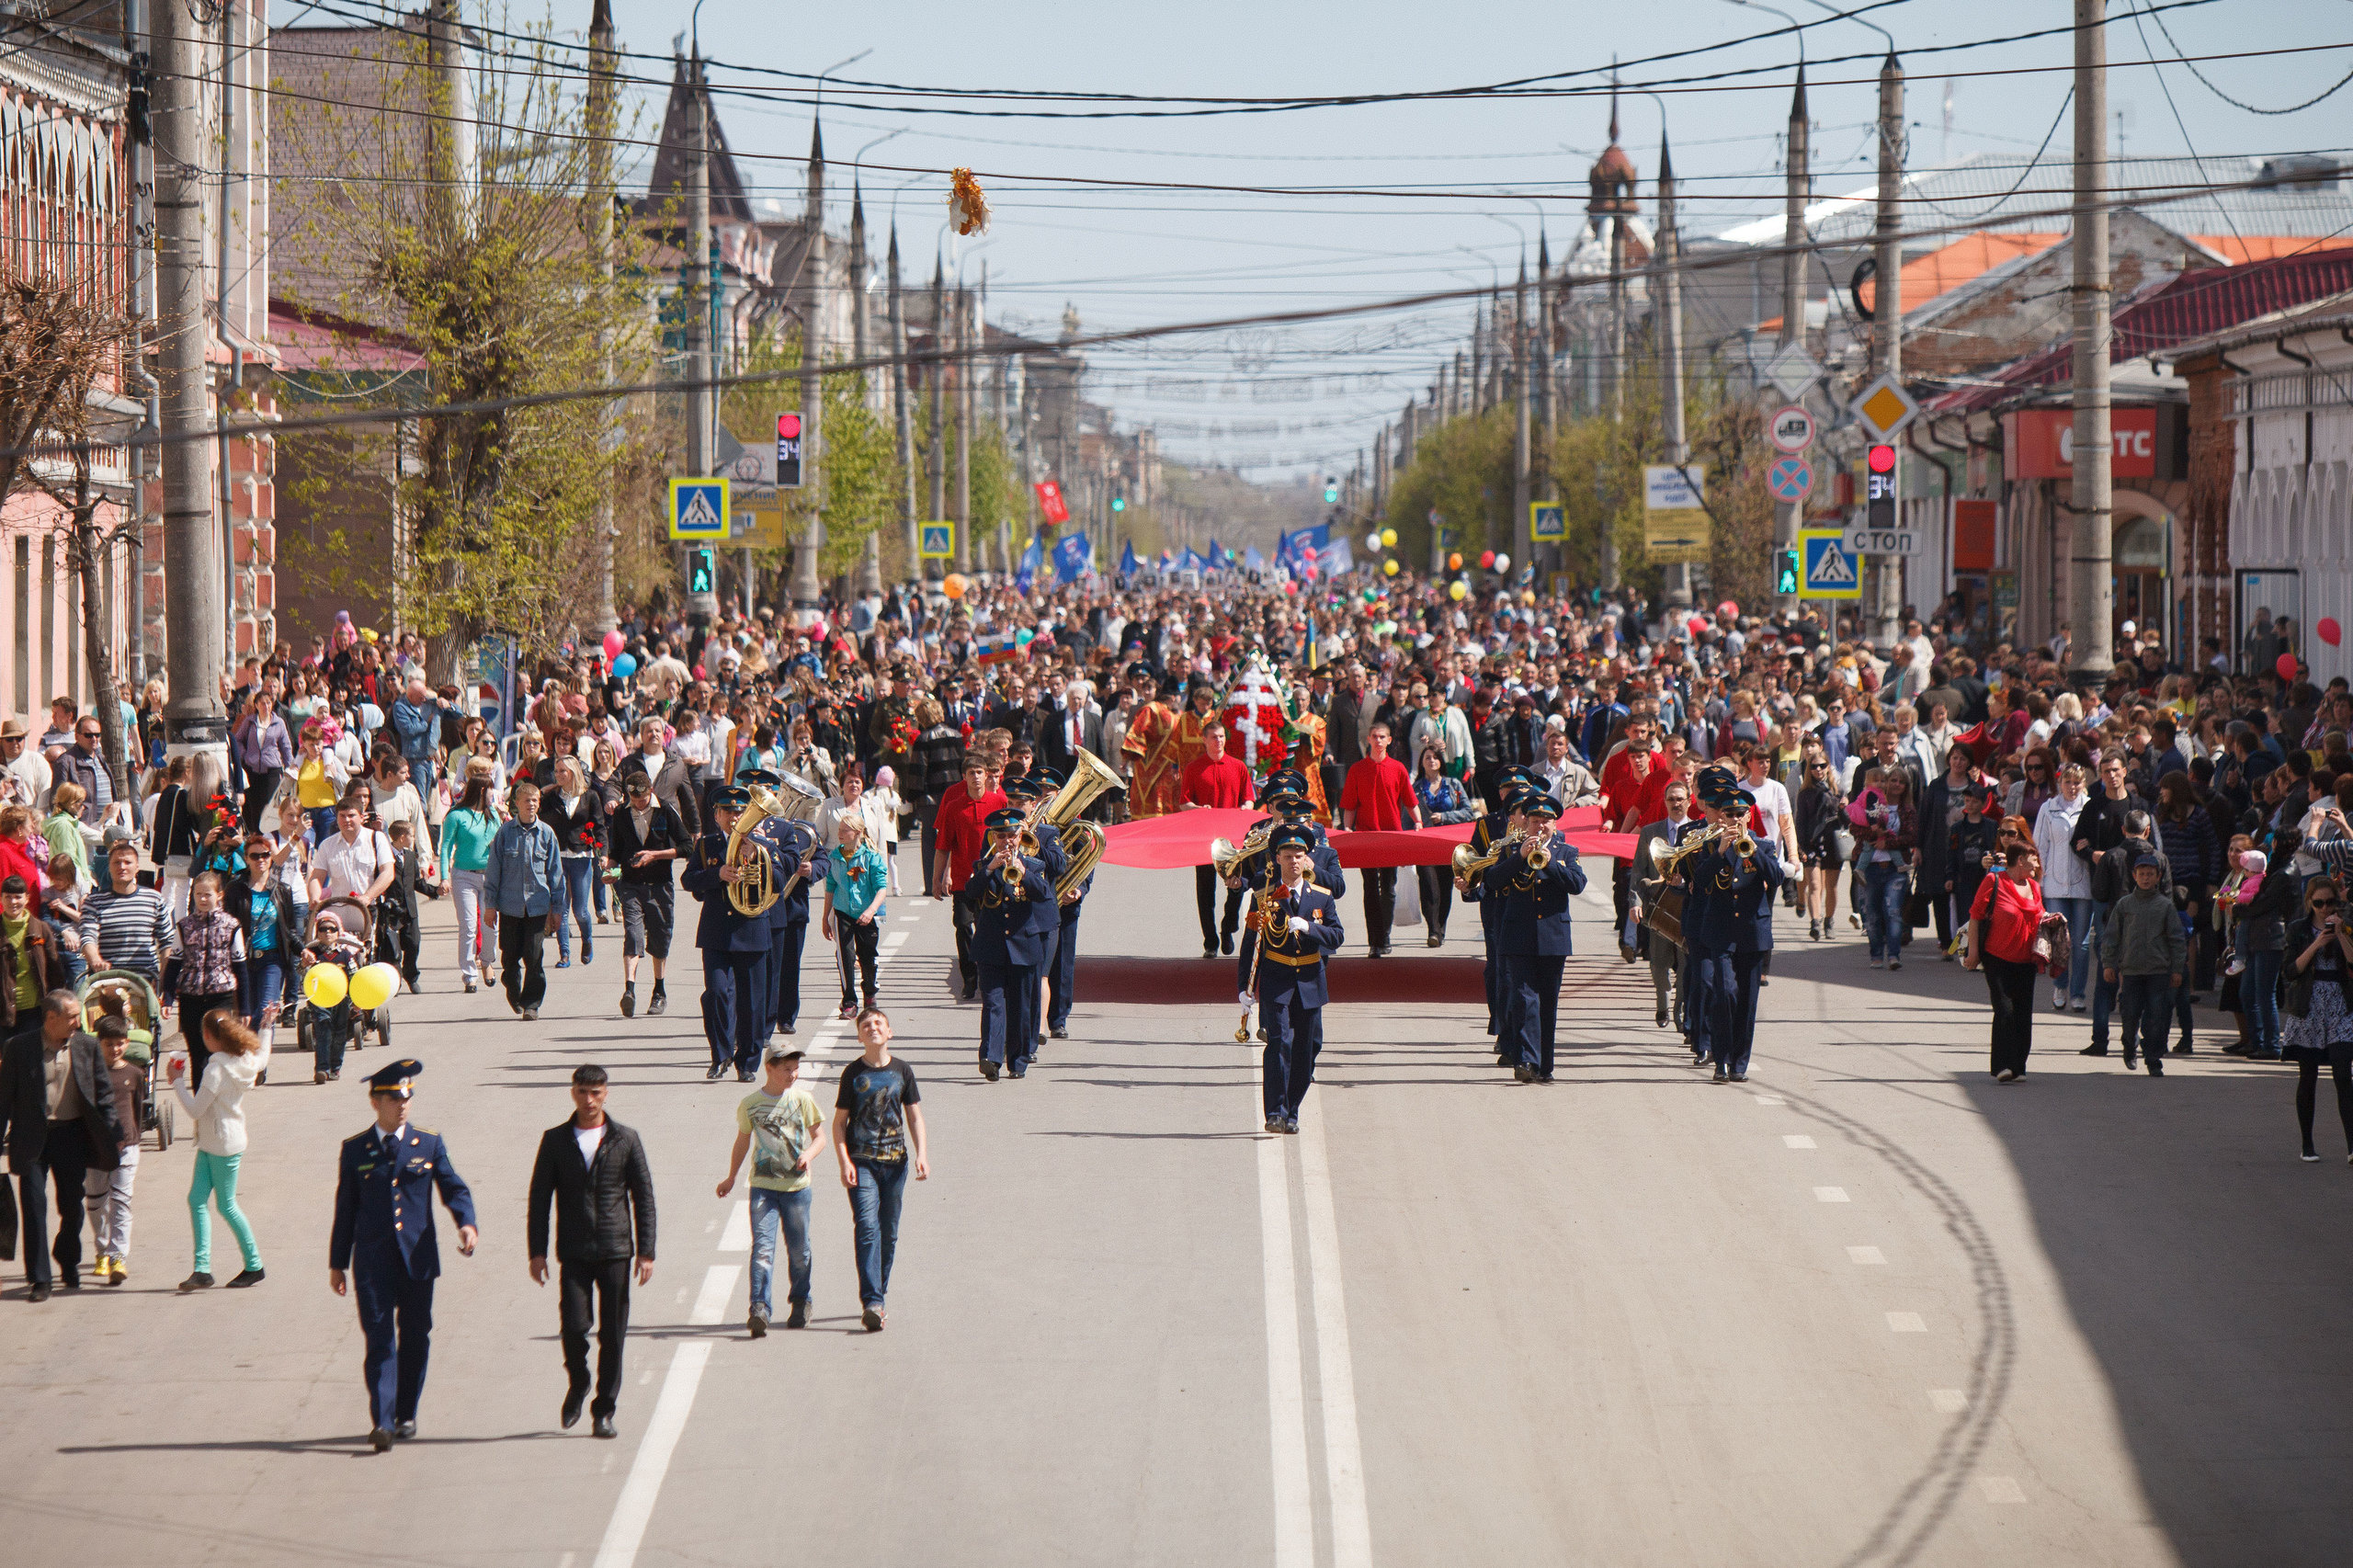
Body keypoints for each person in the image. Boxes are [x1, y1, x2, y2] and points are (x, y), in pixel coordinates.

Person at [330, 1058, 479, 1452]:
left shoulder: (428, 1143)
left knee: (415, 1337)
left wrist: (466, 1223)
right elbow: (346, 1208)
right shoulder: (355, 1149)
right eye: (395, 1097)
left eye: (407, 1097)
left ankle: (405, 1411)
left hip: (417, 1260)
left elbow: (454, 1187)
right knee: (379, 1340)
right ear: (375, 1101)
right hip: (373, 1263)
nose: (403, 1104)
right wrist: (337, 1262)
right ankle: (382, 1420)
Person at [528, 1063, 657, 1439]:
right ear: (573, 1093)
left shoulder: (626, 1139)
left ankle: (604, 1410)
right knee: (573, 1326)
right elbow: (539, 1199)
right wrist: (537, 1251)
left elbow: (643, 1197)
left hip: (616, 1249)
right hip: (574, 1250)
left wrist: (646, 1251)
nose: (589, 1100)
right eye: (583, 1092)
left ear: (606, 1093)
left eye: (596, 1092)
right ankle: (580, 1381)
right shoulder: (555, 1140)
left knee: (613, 1334)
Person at [0, 990, 122, 1298]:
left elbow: (103, 1095)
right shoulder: (18, 1048)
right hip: (31, 1139)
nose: (77, 1022)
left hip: (71, 1136)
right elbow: (3, 1100)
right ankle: (40, 1278)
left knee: (72, 1207)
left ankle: (67, 1260)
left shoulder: (86, 1046)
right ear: (50, 1018)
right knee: (34, 1207)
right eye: (71, 1017)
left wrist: (112, 1133)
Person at [716, 1042, 828, 1335]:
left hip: (797, 1189)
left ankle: (802, 1299)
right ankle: (760, 1308)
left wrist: (809, 1154)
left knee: (799, 1250)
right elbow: (742, 1141)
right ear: (769, 1069)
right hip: (763, 1187)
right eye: (786, 1070)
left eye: (795, 1070)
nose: (792, 1075)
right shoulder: (751, 1104)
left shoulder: (803, 1100)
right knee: (763, 1248)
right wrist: (730, 1178)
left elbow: (820, 1137)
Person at [832, 1007, 927, 1333]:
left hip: (896, 1164)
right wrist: (844, 1160)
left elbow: (914, 1117)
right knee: (867, 1227)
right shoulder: (853, 1073)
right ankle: (872, 1300)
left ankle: (879, 1293)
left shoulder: (902, 1070)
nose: (872, 1028)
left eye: (878, 1024)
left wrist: (921, 1154)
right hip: (862, 1164)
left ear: (889, 1033)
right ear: (859, 1037)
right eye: (866, 1025)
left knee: (890, 1231)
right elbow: (839, 1123)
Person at [1484, 791, 1589, 1084]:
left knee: (1548, 1003)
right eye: (1534, 820)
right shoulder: (1511, 849)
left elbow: (1578, 884)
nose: (1540, 826)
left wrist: (1550, 863)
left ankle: (1545, 1064)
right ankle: (1526, 1061)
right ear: (1525, 823)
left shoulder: (1567, 852)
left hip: (1553, 938)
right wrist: (1520, 857)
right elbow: (1492, 881)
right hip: (1517, 935)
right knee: (1523, 999)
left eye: (1546, 821)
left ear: (1555, 825)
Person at [1684, 767, 1779, 1085]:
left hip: (1752, 932)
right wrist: (1723, 851)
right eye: (1729, 813)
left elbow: (1776, 877)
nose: (1735, 818)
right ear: (1720, 816)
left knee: (1747, 1001)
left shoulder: (1762, 846)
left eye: (1740, 813)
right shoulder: (1710, 846)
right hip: (1721, 931)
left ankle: (1739, 1062)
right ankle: (1720, 1060)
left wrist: (1750, 845)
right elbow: (1700, 879)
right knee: (1725, 993)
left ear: (1748, 816)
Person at [168, 1009, 268, 1290]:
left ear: (210, 1036)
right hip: (216, 1142)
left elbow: (195, 1110)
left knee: (227, 1206)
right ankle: (202, 1269)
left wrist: (176, 1080)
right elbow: (263, 1057)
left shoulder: (216, 1069)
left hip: (221, 1145)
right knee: (196, 1200)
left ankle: (254, 1265)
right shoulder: (243, 1059)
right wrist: (268, 1027)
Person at [682, 784, 770, 1082]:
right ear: (716, 815)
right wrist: (716, 874)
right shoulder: (706, 846)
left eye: (739, 810)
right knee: (717, 992)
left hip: (751, 930)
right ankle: (720, 1056)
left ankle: (747, 1062)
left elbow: (780, 881)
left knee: (751, 1001)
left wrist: (756, 855)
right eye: (728, 811)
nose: (734, 816)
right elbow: (688, 880)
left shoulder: (762, 844)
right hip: (716, 933)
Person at [971, 806, 1051, 1081]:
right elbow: (970, 895)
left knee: (1020, 1006)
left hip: (1024, 946)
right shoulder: (983, 866)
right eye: (1001, 836)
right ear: (993, 838)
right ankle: (991, 1058)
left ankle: (1017, 1062)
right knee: (993, 1003)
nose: (1008, 841)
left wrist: (1023, 872)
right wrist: (990, 869)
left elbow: (1043, 895)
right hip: (991, 945)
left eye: (1013, 835)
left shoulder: (1036, 865)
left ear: (1021, 835)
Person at [2281, 878, 2353, 1162]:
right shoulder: (2298, 929)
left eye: (2330, 902)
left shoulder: (2346, 926)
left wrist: (2342, 935)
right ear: (2310, 903)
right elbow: (2290, 971)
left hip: (2340, 1006)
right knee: (2308, 1077)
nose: (2325, 908)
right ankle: (2307, 1144)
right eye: (2319, 903)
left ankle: (2351, 1146)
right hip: (2308, 1007)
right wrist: (2316, 943)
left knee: (2343, 1075)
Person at [606, 770, 685, 1018]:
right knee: (632, 932)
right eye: (633, 799)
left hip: (660, 884)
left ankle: (659, 990)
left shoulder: (666, 811)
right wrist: (611, 867)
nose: (638, 804)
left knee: (660, 938)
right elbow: (616, 850)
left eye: (642, 799)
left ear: (650, 791)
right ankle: (629, 990)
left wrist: (655, 855)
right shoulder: (621, 814)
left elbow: (687, 846)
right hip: (631, 883)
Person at [1968, 846, 2049, 1083]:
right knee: (2004, 1009)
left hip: (2026, 959)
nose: (2037, 865)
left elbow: (2039, 916)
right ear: (2021, 860)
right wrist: (1973, 952)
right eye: (2034, 860)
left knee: (2023, 1013)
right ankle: (2002, 1065)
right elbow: (1976, 916)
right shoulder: (1994, 881)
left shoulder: (2034, 887)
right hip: (1996, 957)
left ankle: (2019, 1065)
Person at [161, 872, 249, 1091]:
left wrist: (245, 1008)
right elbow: (174, 963)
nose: (202, 899)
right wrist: (168, 997)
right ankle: (201, 1107)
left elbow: (241, 967)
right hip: (191, 996)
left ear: (219, 895)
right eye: (198, 894)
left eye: (207, 894)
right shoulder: (184, 926)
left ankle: (220, 1097)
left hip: (221, 996)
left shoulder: (232, 925)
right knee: (197, 1053)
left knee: (217, 1052)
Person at [1339, 721, 1420, 957]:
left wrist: (1418, 822)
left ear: (1389, 740)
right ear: (1368, 739)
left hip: (1391, 835)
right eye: (1374, 736)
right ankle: (1374, 939)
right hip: (1365, 835)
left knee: (1388, 887)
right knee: (1370, 888)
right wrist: (1346, 828)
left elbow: (1410, 800)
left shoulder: (1398, 768)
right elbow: (1349, 806)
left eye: (1382, 736)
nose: (1378, 740)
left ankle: (1384, 935)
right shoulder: (1357, 770)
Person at [484, 778, 562, 1021]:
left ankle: (532, 1004)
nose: (531, 805)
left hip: (538, 906)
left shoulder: (547, 834)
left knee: (534, 956)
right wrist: (490, 905)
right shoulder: (505, 833)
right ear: (516, 804)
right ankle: (512, 986)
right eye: (527, 800)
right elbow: (494, 870)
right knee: (510, 957)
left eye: (535, 801)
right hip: (510, 907)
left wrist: (557, 909)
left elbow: (556, 873)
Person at [930, 755, 1005, 1001]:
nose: (976, 777)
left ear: (987, 775)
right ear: (964, 777)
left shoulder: (999, 802)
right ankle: (969, 977)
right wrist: (936, 879)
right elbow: (943, 846)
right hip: (963, 880)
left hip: (992, 878)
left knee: (987, 927)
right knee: (963, 925)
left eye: (980, 772)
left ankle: (989, 976)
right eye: (971, 773)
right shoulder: (954, 806)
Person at [1179, 719, 1256, 958]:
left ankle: (1227, 926)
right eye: (1214, 737)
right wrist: (1199, 809)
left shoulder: (1238, 766)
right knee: (1205, 891)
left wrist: (1246, 808)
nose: (1219, 741)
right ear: (1204, 740)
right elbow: (1184, 803)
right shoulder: (1194, 768)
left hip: (1232, 840)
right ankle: (1210, 941)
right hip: (1204, 839)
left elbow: (1249, 799)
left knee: (1236, 887)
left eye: (1222, 736)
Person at [83, 1016, 142, 1286]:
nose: (115, 1049)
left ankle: (118, 1257)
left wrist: (133, 1138)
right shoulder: (89, 1074)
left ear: (127, 1043)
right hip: (95, 1147)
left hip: (126, 1147)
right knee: (96, 1203)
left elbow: (138, 1109)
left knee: (121, 1201)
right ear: (98, 1044)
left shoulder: (134, 1074)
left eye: (120, 1043)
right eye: (109, 1044)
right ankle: (101, 1251)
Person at [1634, 778, 1693, 1030]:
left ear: (1689, 802)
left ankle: (1679, 1008)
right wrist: (1635, 901)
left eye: (1680, 799)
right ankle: (1662, 1003)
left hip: (1687, 909)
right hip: (1658, 907)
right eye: (1671, 799)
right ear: (1665, 802)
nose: (1676, 804)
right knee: (1658, 962)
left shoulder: (1697, 831)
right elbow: (1637, 872)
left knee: (1685, 962)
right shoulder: (1650, 832)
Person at [2033, 763, 2095, 1008]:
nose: (2072, 787)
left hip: (2083, 885)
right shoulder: (2048, 809)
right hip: (2055, 885)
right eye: (2068, 782)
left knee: (2080, 943)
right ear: (2060, 784)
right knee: (2059, 941)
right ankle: (2060, 987)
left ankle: (2078, 993)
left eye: (2077, 782)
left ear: (2083, 784)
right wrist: (2040, 882)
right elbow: (2041, 848)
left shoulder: (2090, 807)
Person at [79, 837, 174, 981]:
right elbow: (88, 938)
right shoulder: (93, 902)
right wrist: (95, 960)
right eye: (116, 863)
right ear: (109, 867)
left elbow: (167, 941)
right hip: (107, 982)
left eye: (127, 862)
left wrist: (163, 977)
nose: (122, 867)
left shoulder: (154, 899)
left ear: (137, 867)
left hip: (145, 982)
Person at [439, 772, 500, 995]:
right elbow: (445, 847)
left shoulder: (493, 814)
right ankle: (469, 974)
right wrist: (444, 877)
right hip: (464, 875)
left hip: (491, 876)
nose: (494, 794)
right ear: (483, 790)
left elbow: (501, 843)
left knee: (491, 924)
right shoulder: (456, 816)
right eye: (492, 789)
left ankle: (487, 960)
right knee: (468, 925)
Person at [823, 813, 887, 1020]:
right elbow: (830, 888)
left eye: (844, 830)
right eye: (839, 830)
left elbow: (881, 889)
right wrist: (826, 917)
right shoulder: (834, 857)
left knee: (867, 956)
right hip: (842, 912)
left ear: (858, 833)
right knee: (845, 956)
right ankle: (849, 1001)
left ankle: (869, 992)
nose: (839, 834)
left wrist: (871, 911)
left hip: (866, 914)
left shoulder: (871, 856)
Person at [541, 755, 603, 970]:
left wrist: (603, 852)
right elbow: (541, 822)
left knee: (580, 910)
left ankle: (586, 940)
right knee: (560, 908)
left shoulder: (590, 797)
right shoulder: (551, 798)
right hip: (557, 858)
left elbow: (599, 826)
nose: (558, 775)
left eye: (562, 771)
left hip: (581, 856)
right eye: (556, 771)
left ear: (573, 772)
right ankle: (564, 954)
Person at [1413, 743, 1474, 946]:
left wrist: (1446, 816)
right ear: (1422, 762)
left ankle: (1441, 928)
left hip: (1448, 843)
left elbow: (1468, 812)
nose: (1431, 761)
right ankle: (1432, 929)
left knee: (1445, 887)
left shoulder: (1453, 784)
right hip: (1424, 843)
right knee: (1429, 885)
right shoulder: (1416, 787)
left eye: (1435, 757)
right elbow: (1407, 815)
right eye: (1427, 757)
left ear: (1441, 762)